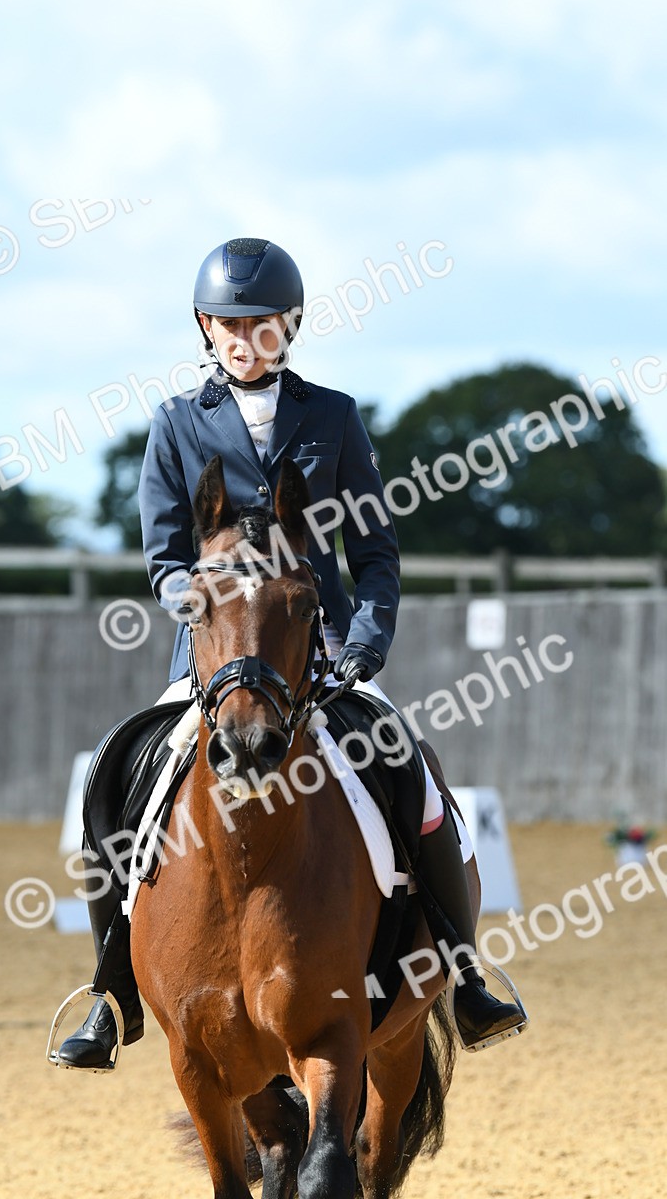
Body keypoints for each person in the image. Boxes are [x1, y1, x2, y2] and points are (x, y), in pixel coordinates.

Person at [57, 237, 526, 1069]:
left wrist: (366, 642)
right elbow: (164, 558)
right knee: (111, 774)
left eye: (263, 324)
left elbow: (374, 554)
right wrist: (197, 602)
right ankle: (110, 991)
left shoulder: (334, 416)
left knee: (408, 771)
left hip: (322, 649)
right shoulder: (174, 424)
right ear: (206, 326)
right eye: (230, 325)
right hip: (215, 657)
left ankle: (462, 973)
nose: (246, 340)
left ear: (291, 325)